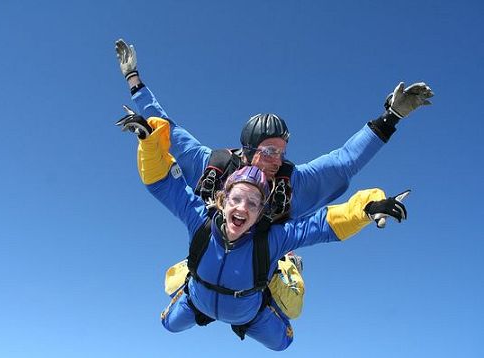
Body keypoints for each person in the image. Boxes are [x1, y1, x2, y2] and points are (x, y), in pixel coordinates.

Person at [131, 116, 408, 351]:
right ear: (222, 200)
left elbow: (324, 222)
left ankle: (285, 268)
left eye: (253, 204)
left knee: (283, 343)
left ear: (262, 209)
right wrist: (148, 138)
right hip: (198, 297)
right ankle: (189, 274)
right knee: (168, 325)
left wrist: (368, 208)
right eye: (236, 200)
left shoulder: (274, 235)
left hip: (251, 307)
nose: (242, 208)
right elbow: (165, 183)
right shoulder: (201, 217)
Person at [114, 38, 432, 223]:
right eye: (269, 151)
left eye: (281, 151)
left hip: (256, 272)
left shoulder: (292, 182)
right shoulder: (211, 163)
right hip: (209, 258)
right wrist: (134, 81)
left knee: (279, 339)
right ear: (249, 150)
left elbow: (345, 160)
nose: (276, 159)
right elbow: (166, 128)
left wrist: (390, 117)